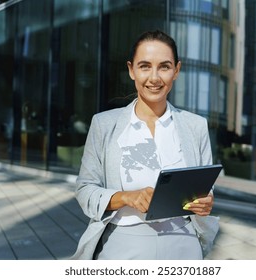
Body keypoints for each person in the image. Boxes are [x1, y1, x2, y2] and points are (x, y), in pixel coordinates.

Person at [71, 30, 217, 260]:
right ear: (131, 70)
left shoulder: (195, 126)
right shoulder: (104, 124)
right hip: (122, 243)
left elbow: (205, 188)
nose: (155, 77)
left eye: (165, 67)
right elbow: (85, 190)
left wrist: (205, 201)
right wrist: (125, 197)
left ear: (176, 71)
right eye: (145, 66)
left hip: (184, 243)